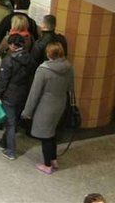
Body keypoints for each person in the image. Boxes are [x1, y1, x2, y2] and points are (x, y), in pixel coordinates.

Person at [22, 42, 74, 175]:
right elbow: (70, 88)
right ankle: (54, 159)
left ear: (48, 53)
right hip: (60, 103)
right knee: (52, 132)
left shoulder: (43, 70)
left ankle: (47, 165)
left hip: (45, 106)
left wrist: (27, 112)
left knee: (45, 136)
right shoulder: (69, 67)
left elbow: (34, 93)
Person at [0, 34, 37, 160]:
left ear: (12, 45)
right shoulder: (30, 59)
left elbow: (2, 80)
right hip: (23, 94)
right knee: (13, 120)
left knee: (11, 123)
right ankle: (3, 141)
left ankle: (11, 151)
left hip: (9, 95)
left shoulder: (8, 60)